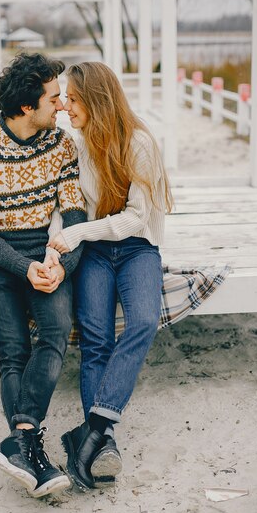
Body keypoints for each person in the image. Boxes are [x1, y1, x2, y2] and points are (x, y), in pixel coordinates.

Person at [0, 53, 87, 498]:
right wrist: (23, 267)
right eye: (53, 98)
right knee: (13, 351)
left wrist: (59, 263)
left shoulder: (61, 144)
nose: (62, 105)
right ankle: (30, 448)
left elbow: (74, 213)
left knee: (55, 332)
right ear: (27, 107)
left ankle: (22, 441)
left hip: (45, 255)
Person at [47, 61, 174, 490]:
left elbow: (137, 218)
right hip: (97, 252)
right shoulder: (76, 145)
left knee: (141, 320)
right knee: (95, 339)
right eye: (63, 97)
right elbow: (65, 205)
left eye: (74, 98)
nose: (65, 105)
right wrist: (59, 240)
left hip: (138, 247)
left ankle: (93, 428)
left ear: (96, 101)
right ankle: (102, 446)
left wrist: (77, 231)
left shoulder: (139, 143)